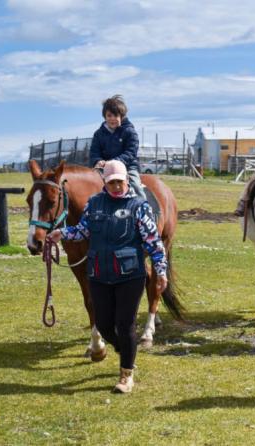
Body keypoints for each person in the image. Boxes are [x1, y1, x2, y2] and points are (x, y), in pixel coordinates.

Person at [47, 160, 168, 394]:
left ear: (125, 181)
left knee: (125, 324)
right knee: (102, 324)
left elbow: (154, 242)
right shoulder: (94, 204)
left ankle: (126, 376)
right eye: (111, 182)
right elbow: (84, 230)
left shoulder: (139, 206)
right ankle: (127, 350)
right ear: (105, 182)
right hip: (99, 273)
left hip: (130, 274)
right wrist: (62, 233)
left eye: (119, 182)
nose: (116, 186)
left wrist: (160, 270)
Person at [90, 95, 145, 198]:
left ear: (122, 116)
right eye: (109, 116)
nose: (112, 119)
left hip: (128, 168)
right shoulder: (98, 134)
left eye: (116, 116)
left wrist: (113, 163)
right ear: (105, 117)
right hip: (103, 169)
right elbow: (94, 152)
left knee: (136, 186)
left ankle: (144, 208)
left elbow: (130, 153)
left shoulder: (129, 132)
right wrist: (97, 161)